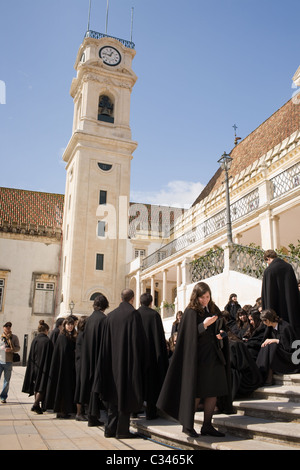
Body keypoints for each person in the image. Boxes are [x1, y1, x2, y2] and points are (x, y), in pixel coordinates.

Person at [157, 282, 232, 438]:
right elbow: (188, 335)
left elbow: (224, 329)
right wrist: (203, 326)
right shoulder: (190, 312)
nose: (205, 300)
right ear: (196, 297)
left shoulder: (213, 309)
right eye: (202, 297)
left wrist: (222, 334)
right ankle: (188, 425)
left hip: (214, 356)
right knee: (197, 391)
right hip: (198, 359)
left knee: (213, 391)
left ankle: (207, 425)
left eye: (207, 296)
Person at [94, 289, 147, 438]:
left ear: (121, 298)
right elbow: (139, 342)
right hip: (128, 363)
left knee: (113, 397)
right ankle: (122, 431)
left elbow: (105, 344)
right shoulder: (134, 314)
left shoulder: (110, 316)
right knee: (126, 396)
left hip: (112, 364)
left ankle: (110, 429)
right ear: (132, 299)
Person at [138, 292, 169, 420]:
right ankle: (151, 412)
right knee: (151, 385)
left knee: (138, 383)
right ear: (151, 303)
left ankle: (135, 410)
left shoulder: (135, 314)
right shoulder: (154, 315)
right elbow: (159, 337)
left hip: (138, 355)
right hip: (151, 355)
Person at [79, 294, 108, 427]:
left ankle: (92, 415)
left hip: (88, 357)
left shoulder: (89, 320)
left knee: (91, 386)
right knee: (96, 387)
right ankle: (93, 416)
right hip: (99, 357)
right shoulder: (104, 319)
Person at [261, 249, 300, 337]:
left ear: (268, 258)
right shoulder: (288, 267)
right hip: (291, 309)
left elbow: (267, 295)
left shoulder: (269, 271)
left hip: (276, 312)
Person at [256, 309, 300, 385]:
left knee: (272, 346)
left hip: (290, 356)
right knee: (267, 345)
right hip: (280, 352)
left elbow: (289, 346)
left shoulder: (285, 327)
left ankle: (268, 376)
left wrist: (275, 340)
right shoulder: (270, 328)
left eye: (264, 321)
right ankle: (262, 372)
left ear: (268, 320)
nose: (263, 323)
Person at [45, 316, 77, 418]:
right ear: (64, 325)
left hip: (68, 367)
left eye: (72, 324)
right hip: (63, 368)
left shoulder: (69, 336)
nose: (70, 326)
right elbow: (63, 353)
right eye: (68, 324)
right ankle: (62, 411)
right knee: (62, 388)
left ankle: (65, 410)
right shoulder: (62, 337)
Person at [22, 320, 53, 414]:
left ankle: (37, 404)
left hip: (35, 367)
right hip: (43, 367)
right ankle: (36, 404)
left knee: (36, 385)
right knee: (41, 386)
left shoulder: (35, 339)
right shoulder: (47, 341)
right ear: (46, 330)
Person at [0, 322, 20, 404]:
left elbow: (18, 348)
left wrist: (11, 349)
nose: (8, 328)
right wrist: (1, 348)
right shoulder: (0, 337)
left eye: (9, 326)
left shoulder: (14, 337)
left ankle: (3, 397)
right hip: (0, 360)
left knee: (6, 381)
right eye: (6, 326)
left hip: (8, 361)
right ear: (3, 327)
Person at [74, 316, 88, 421]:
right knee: (80, 388)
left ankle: (81, 411)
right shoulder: (83, 335)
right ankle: (79, 413)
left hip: (80, 363)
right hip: (82, 364)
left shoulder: (80, 334)